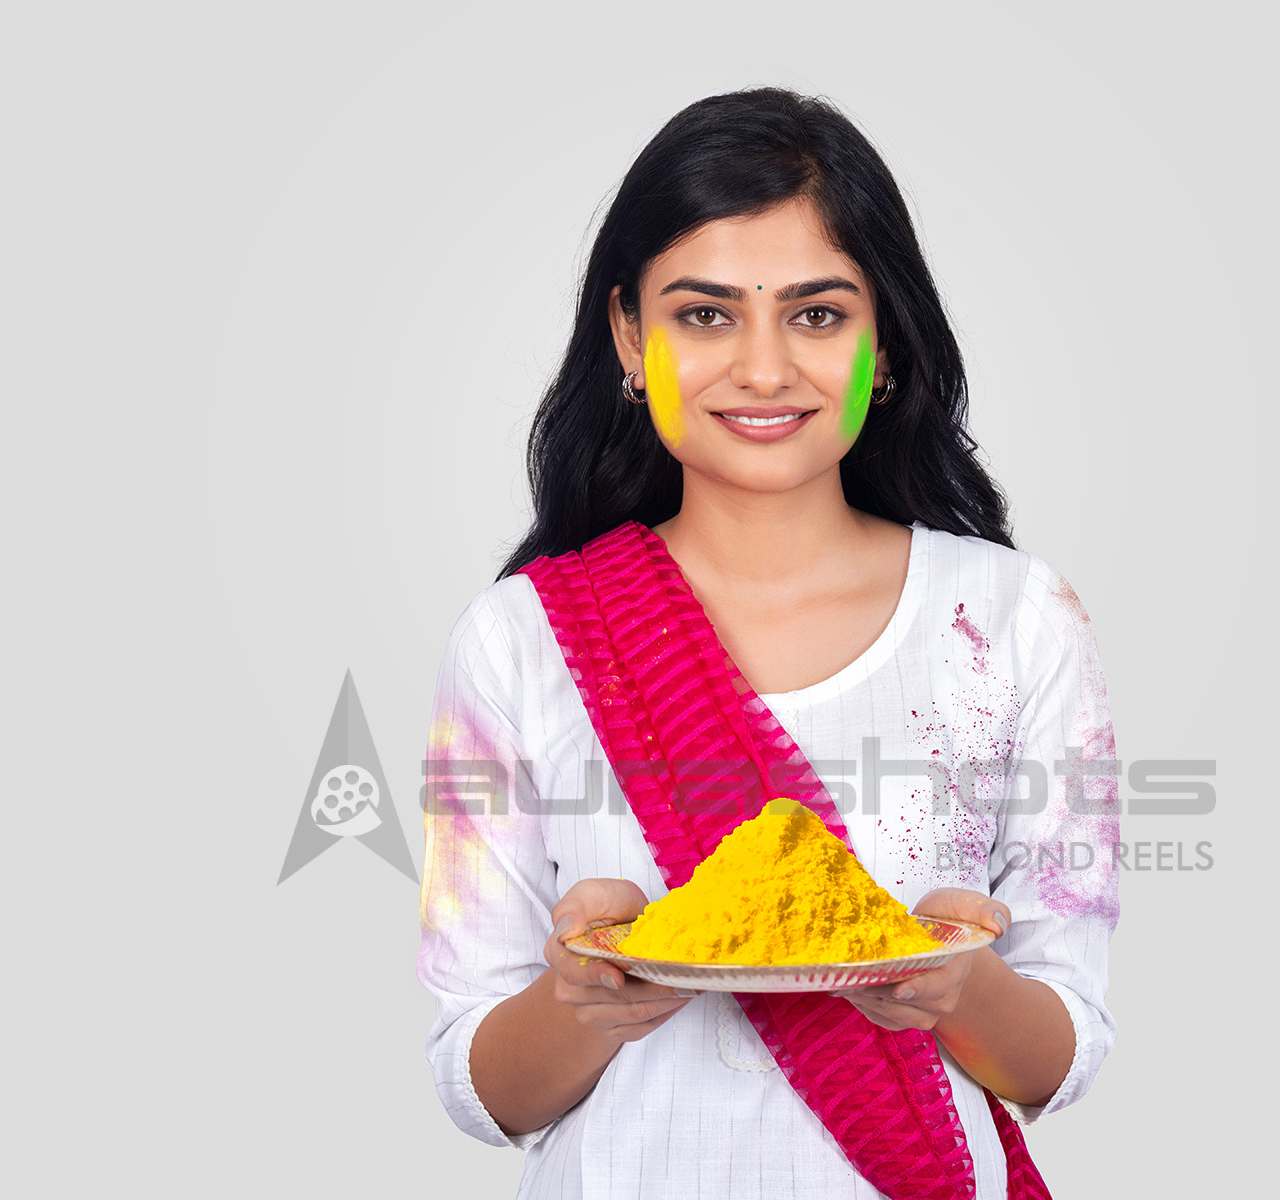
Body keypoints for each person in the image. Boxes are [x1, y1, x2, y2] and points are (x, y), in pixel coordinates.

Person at [417, 88, 1120, 1199]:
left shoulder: (1012, 620)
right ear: (627, 338)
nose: (760, 368)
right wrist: (581, 1001)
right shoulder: (522, 640)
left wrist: (955, 986)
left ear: (882, 341)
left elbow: (1058, 1056)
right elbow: (483, 1087)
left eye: (816, 313)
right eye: (704, 314)